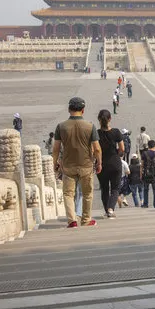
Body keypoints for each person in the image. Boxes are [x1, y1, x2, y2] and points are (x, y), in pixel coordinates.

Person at [53, 97, 101, 228]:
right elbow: (97, 148)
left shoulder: (61, 127)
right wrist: (99, 163)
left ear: (69, 109)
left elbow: (56, 148)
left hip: (68, 166)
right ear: (83, 110)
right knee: (87, 194)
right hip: (86, 165)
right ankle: (86, 219)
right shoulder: (90, 126)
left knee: (68, 194)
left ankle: (72, 220)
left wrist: (55, 163)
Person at [96, 109, 124, 218]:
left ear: (99, 120)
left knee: (104, 189)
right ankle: (111, 209)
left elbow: (94, 150)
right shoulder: (116, 132)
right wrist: (117, 153)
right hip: (115, 163)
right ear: (110, 119)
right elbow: (122, 148)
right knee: (115, 188)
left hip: (102, 163)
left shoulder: (96, 133)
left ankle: (107, 210)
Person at [141, 140, 155, 208]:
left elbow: (141, 165)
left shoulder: (144, 154)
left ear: (148, 145)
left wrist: (140, 175)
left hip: (146, 174)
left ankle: (145, 204)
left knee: (145, 190)